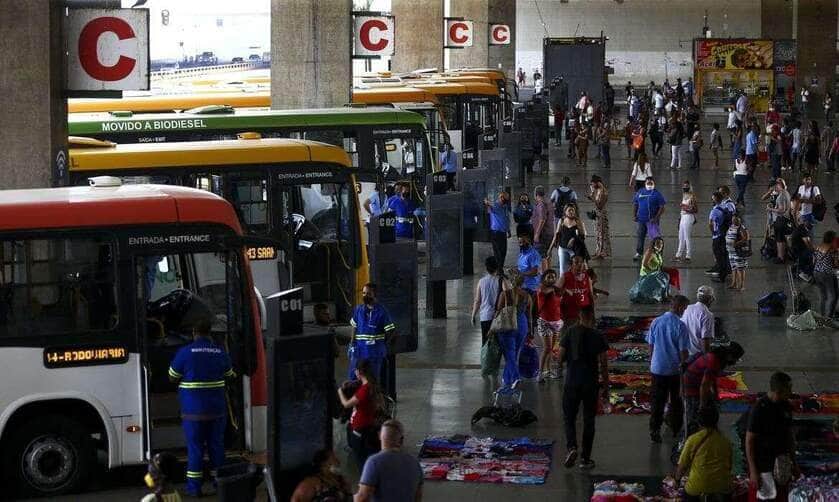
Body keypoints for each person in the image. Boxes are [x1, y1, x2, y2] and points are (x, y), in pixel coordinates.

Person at [167, 301, 235, 498]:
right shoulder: (220, 352)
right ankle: (219, 485)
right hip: (217, 411)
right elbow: (231, 375)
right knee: (216, 448)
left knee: (195, 449)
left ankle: (194, 488)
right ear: (210, 333)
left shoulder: (185, 353)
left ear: (194, 333)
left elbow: (172, 376)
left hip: (192, 412)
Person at [557, 305, 608, 470]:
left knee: (569, 418)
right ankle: (585, 459)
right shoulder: (598, 336)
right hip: (590, 384)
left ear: (579, 317)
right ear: (591, 318)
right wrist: (606, 386)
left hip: (572, 382)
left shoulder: (570, 332)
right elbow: (604, 364)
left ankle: (572, 447)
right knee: (589, 420)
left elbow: (560, 356)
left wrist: (562, 364)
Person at [745, 372, 797, 502]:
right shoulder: (759, 409)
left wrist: (794, 463)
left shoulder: (786, 406)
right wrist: (753, 470)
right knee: (765, 497)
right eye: (789, 389)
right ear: (779, 391)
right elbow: (749, 441)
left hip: (782, 463)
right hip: (763, 465)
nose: (791, 392)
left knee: (781, 496)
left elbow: (789, 436)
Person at [646, 295, 690, 443]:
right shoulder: (680, 326)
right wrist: (685, 365)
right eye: (684, 308)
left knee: (658, 401)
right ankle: (676, 428)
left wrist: (653, 362)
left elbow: (651, 345)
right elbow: (683, 351)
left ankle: (654, 430)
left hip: (657, 369)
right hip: (673, 371)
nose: (684, 311)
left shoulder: (656, 321)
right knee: (676, 400)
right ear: (679, 307)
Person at [681, 343, 745, 439]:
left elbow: (712, 379)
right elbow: (704, 386)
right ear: (730, 356)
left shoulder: (719, 358)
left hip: (697, 383)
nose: (735, 362)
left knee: (711, 407)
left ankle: (709, 434)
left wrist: (715, 395)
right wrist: (702, 406)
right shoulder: (714, 361)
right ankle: (691, 439)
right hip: (691, 386)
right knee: (695, 415)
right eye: (736, 359)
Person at [674, 406, 734, 502]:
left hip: (696, 488)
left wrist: (677, 481)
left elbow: (682, 466)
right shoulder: (725, 441)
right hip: (721, 488)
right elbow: (729, 466)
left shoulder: (693, 440)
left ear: (699, 422)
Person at [355, 420, 423, 502]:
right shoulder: (415, 462)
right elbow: (418, 497)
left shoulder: (374, 462)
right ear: (401, 440)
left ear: (379, 435)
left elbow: (362, 498)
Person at [348, 283, 396, 384]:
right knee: (353, 378)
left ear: (375, 295)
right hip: (359, 351)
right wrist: (351, 343)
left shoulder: (382, 312)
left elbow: (391, 331)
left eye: (368, 293)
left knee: (371, 380)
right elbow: (354, 326)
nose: (365, 296)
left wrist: (382, 344)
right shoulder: (359, 310)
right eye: (364, 293)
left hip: (374, 353)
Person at [338, 360, 382, 466]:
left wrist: (339, 391)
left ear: (359, 372)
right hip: (368, 424)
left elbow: (346, 404)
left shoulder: (364, 390)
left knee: (362, 460)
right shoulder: (371, 385)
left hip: (360, 428)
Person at [497, 271, 532, 389]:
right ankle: (507, 379)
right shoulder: (527, 296)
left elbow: (498, 312)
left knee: (509, 355)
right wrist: (531, 331)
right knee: (514, 353)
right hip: (522, 325)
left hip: (508, 325)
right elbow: (530, 314)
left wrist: (492, 329)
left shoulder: (505, 294)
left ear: (511, 281)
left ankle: (516, 377)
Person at [536, 269, 563, 383]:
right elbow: (546, 292)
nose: (551, 279)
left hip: (556, 322)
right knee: (547, 348)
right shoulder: (542, 289)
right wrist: (557, 288)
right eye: (549, 277)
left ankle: (548, 370)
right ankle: (540, 373)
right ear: (544, 279)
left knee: (552, 348)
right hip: (545, 322)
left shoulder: (556, 291)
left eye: (553, 277)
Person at [632, 176, 666, 260]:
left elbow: (662, 207)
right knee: (640, 236)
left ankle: (656, 254)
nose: (649, 184)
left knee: (654, 238)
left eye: (651, 182)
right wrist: (634, 215)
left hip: (652, 221)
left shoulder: (657, 194)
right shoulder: (640, 192)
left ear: (654, 183)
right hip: (641, 219)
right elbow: (635, 204)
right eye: (648, 182)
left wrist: (656, 218)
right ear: (645, 183)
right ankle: (639, 253)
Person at [548, 203, 587, 275]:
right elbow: (556, 235)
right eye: (569, 210)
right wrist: (550, 250)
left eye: (573, 210)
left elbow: (584, 236)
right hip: (563, 248)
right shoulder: (561, 221)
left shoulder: (578, 221)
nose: (571, 212)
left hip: (575, 250)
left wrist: (574, 239)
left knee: (576, 269)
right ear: (565, 211)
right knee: (563, 271)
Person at [471, 256, 502, 344]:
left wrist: (473, 315)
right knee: (497, 344)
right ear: (497, 267)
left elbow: (477, 301)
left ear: (486, 268)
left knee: (485, 343)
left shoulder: (481, 281)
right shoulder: (500, 281)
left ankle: (485, 358)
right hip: (497, 317)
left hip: (485, 316)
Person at [558, 255, 594, 325]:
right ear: (571, 265)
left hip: (583, 315)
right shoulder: (565, 276)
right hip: (569, 315)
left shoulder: (587, 278)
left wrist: (592, 314)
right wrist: (565, 290)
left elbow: (591, 296)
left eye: (581, 262)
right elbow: (556, 291)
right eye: (576, 262)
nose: (580, 264)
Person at [681, 285, 715, 356]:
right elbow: (705, 339)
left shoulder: (687, 308)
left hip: (684, 351)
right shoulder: (707, 315)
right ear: (710, 299)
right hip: (696, 355)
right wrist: (706, 358)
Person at [813, 230, 838, 318]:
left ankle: (822, 315)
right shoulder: (832, 250)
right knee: (833, 296)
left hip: (816, 273)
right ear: (832, 239)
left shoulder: (819, 247)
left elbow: (814, 260)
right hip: (827, 274)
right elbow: (836, 265)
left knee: (823, 296)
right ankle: (829, 317)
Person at [767, 178, 792, 264]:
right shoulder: (786, 193)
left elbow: (782, 210)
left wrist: (771, 209)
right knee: (782, 239)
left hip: (781, 219)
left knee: (779, 239)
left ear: (778, 185)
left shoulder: (781, 196)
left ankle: (780, 257)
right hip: (785, 219)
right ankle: (783, 255)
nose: (774, 189)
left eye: (775, 187)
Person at [708, 192, 730, 284]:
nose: (712, 200)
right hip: (724, 233)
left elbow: (710, 223)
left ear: (716, 199)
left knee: (718, 255)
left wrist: (713, 232)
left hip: (717, 235)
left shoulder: (714, 211)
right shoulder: (724, 208)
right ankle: (725, 272)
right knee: (724, 255)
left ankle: (721, 276)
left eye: (713, 198)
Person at [485, 191, 511, 267]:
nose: (507, 200)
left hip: (503, 233)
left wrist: (508, 230)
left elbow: (506, 219)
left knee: (503, 252)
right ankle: (499, 270)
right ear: (501, 197)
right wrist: (487, 202)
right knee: (498, 253)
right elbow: (490, 207)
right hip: (496, 233)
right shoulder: (496, 205)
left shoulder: (505, 206)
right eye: (506, 198)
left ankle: (500, 268)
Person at [589, 175, 611, 259]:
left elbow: (600, 205)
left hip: (601, 214)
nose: (591, 185)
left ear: (597, 183)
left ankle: (602, 252)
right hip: (598, 214)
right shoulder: (597, 190)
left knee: (602, 233)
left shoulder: (603, 192)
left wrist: (593, 198)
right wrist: (592, 193)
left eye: (592, 183)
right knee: (598, 233)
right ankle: (598, 250)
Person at [676, 180, 698, 262]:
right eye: (684, 186)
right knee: (680, 236)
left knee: (687, 237)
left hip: (688, 217)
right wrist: (679, 219)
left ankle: (688, 255)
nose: (685, 187)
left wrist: (686, 208)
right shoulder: (684, 195)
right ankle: (678, 254)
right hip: (683, 216)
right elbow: (682, 208)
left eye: (686, 186)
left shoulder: (692, 197)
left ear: (689, 187)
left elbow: (696, 210)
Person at [726, 214, 750, 291]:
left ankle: (741, 285)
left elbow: (746, 238)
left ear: (739, 220)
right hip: (731, 252)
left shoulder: (742, 228)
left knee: (740, 268)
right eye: (733, 219)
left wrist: (736, 243)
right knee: (734, 268)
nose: (734, 220)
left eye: (736, 219)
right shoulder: (731, 226)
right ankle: (734, 283)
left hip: (738, 252)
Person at [531, 186, 554, 257]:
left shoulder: (541, 205)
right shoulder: (549, 203)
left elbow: (542, 220)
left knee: (541, 257)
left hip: (542, 235)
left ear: (536, 194)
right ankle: (548, 268)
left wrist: (537, 234)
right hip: (549, 233)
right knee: (548, 255)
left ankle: (544, 268)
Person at [517, 231, 542, 296]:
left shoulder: (533, 254)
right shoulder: (522, 253)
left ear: (529, 241)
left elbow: (535, 272)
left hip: (531, 287)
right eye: (520, 242)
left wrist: (521, 274)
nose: (521, 244)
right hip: (522, 284)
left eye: (524, 242)